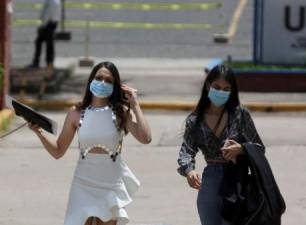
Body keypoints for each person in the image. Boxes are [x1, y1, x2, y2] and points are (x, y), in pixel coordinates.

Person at [27, 61, 152, 225]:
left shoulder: (121, 112)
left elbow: (146, 138)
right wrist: (40, 133)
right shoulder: (76, 113)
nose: (102, 83)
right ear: (91, 80)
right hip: (83, 183)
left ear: (115, 86)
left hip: (111, 183)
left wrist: (135, 104)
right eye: (99, 77)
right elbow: (58, 151)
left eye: (108, 80)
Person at [177, 64, 265, 225]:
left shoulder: (240, 115)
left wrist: (242, 149)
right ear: (208, 86)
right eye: (217, 87)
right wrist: (189, 171)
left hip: (237, 182)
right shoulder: (195, 120)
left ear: (232, 92)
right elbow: (186, 151)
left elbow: (259, 148)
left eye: (226, 89)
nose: (221, 92)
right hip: (209, 182)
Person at [28, 0, 61, 69]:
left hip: (48, 24)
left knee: (40, 42)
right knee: (49, 43)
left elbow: (47, 14)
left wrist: (43, 25)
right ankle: (49, 62)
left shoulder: (51, 1)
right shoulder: (56, 1)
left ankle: (38, 62)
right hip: (53, 23)